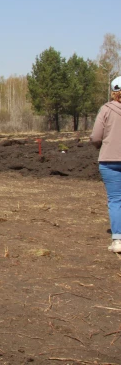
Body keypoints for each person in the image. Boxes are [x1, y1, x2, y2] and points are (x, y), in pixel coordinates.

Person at [90, 76, 121, 253]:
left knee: (116, 200)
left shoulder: (106, 110)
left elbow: (96, 137)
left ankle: (118, 240)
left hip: (109, 160)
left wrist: (101, 145)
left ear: (113, 91)